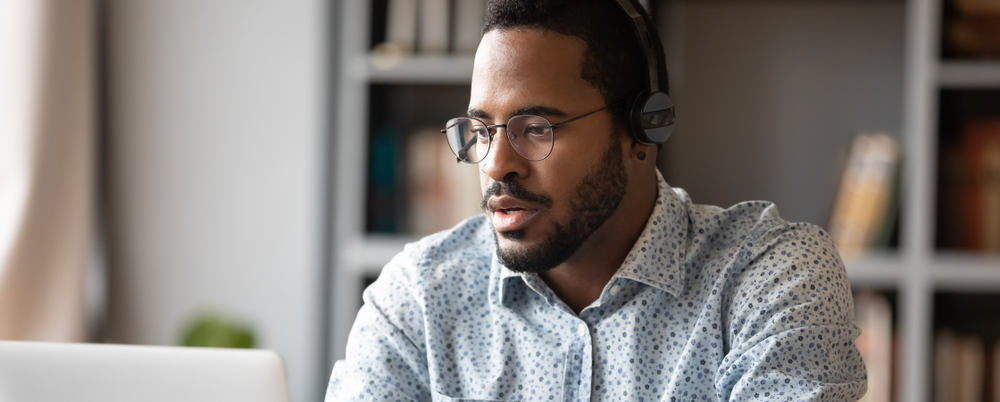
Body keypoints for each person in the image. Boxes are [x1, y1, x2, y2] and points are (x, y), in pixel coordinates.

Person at [327, 0, 867, 400]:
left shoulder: (769, 278)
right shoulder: (420, 297)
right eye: (481, 129)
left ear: (643, 127)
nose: (494, 164)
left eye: (536, 128)